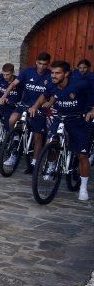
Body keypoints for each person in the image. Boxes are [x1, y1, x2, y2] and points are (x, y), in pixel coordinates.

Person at [29, 60, 93, 201]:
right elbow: (44, 96)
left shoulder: (80, 84)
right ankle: (52, 165)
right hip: (60, 117)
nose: (54, 75)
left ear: (66, 74)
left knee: (82, 155)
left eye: (57, 73)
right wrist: (35, 106)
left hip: (78, 120)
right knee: (51, 143)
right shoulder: (52, 85)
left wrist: (92, 110)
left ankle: (83, 187)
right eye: (52, 72)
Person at [1, 52, 52, 174]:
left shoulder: (50, 75)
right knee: (12, 120)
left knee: (37, 136)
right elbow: (13, 84)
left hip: (39, 108)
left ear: (47, 64)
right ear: (36, 62)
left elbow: (53, 91)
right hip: (25, 104)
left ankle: (34, 163)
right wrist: (4, 95)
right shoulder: (28, 72)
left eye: (44, 64)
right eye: (39, 63)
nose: (41, 66)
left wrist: (48, 102)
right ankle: (16, 137)